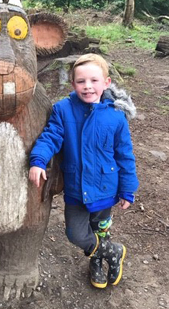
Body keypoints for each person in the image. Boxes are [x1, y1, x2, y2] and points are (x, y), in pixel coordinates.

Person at [29, 53, 139, 289]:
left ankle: (97, 262)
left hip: (105, 189)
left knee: (100, 230)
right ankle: (113, 252)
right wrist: (38, 160)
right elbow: (50, 137)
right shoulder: (63, 109)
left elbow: (124, 155)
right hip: (77, 190)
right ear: (73, 84)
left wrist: (128, 189)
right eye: (81, 81)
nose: (87, 86)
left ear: (106, 83)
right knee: (76, 233)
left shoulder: (116, 116)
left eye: (94, 80)